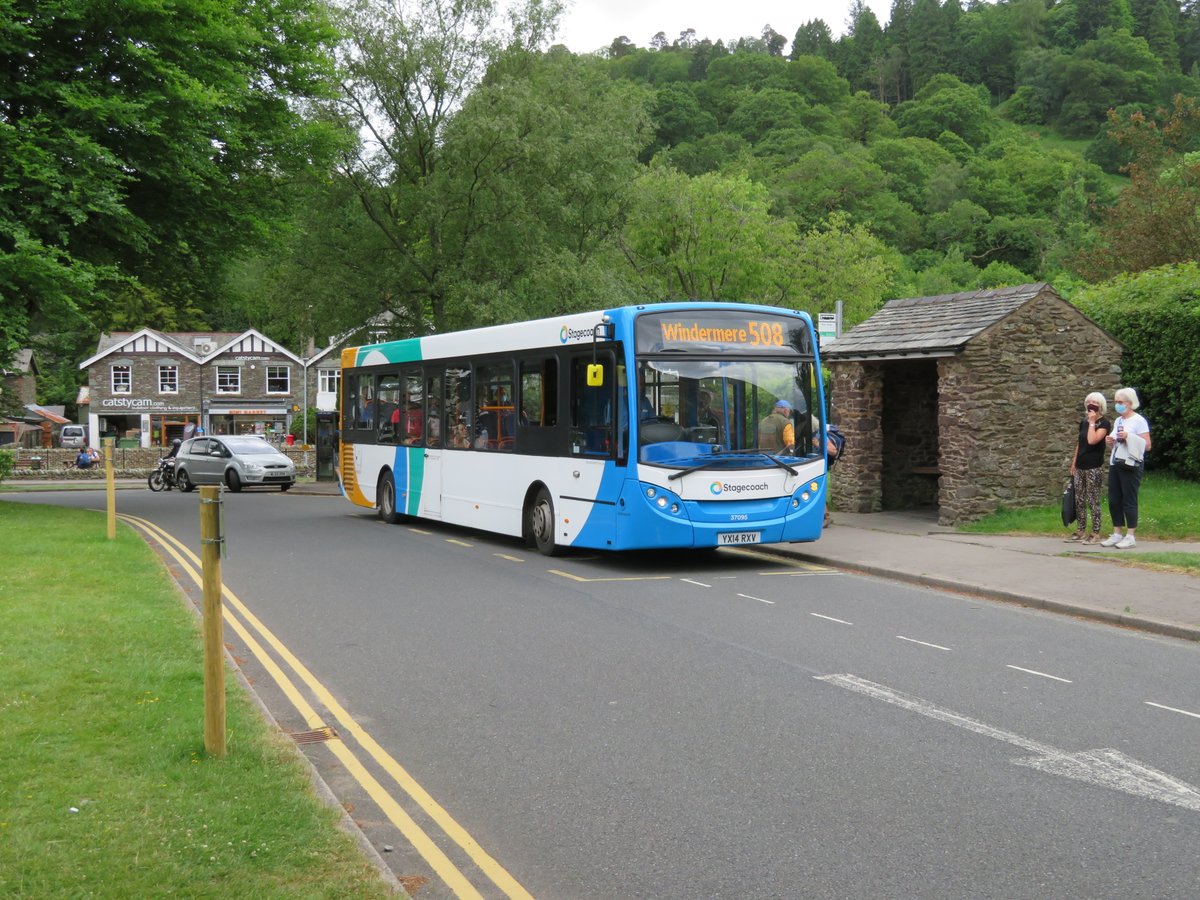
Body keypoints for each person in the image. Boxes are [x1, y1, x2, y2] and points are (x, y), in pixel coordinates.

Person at [1101, 387, 1151, 549]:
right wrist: (1110, 442)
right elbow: (1117, 444)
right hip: (1117, 462)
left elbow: (1147, 445)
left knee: (1129, 499)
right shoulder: (1119, 421)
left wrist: (1129, 436)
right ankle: (1117, 533)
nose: (1117, 405)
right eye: (1116, 402)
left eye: (1120, 402)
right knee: (1114, 499)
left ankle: (1130, 535)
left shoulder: (1139, 421)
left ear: (1129, 403)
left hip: (1131, 464)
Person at [1065, 392, 1110, 544]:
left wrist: (1092, 422)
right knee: (1079, 499)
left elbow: (1092, 440)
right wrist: (1074, 463)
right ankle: (1080, 530)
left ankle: (1096, 533)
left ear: (1100, 406)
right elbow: (1081, 443)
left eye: (1095, 402)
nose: (1091, 404)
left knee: (1093, 500)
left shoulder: (1104, 423)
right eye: (1089, 401)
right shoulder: (1083, 422)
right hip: (1080, 466)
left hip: (1093, 467)